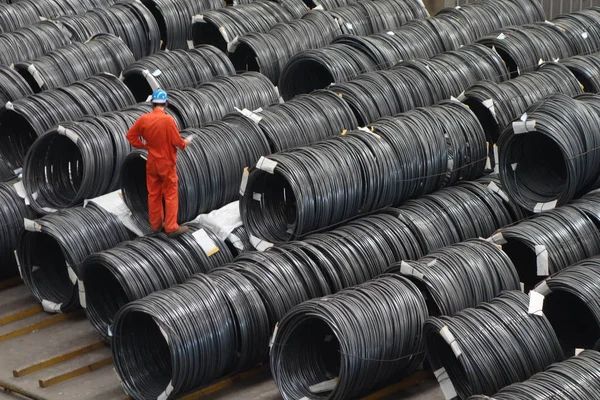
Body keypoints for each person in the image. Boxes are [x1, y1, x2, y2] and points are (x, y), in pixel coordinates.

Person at [126, 89, 191, 237]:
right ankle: (171, 227)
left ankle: (155, 225)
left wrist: (144, 146)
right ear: (166, 104)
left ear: (152, 104)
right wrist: (185, 143)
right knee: (170, 194)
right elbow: (177, 142)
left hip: (152, 162)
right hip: (166, 163)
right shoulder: (168, 120)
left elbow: (130, 136)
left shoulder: (144, 119)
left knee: (153, 193)